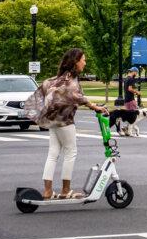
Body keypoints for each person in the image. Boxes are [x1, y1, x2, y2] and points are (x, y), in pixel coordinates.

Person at [37, 48, 109, 200]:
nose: (85, 62)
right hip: (65, 120)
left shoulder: (60, 78)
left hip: (53, 120)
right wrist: (95, 107)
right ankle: (65, 190)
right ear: (76, 62)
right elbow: (76, 95)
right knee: (71, 152)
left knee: (53, 154)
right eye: (83, 60)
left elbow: (49, 89)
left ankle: (48, 191)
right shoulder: (70, 80)